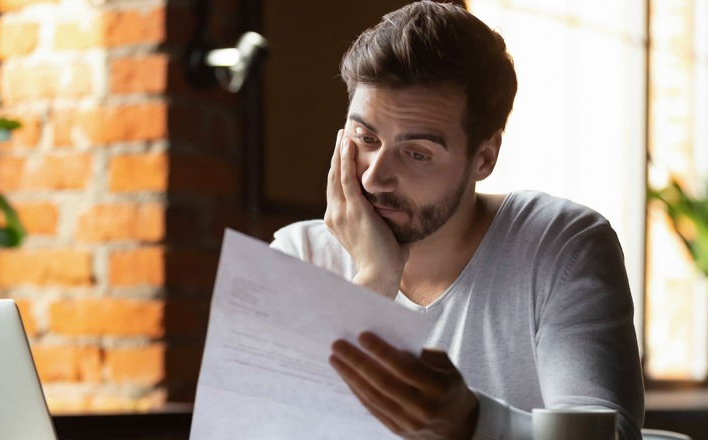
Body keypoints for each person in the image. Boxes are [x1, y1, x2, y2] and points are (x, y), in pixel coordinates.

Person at [269, 1, 644, 439]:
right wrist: (374, 280)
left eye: (416, 153)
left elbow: (611, 432)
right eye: (366, 138)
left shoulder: (561, 246)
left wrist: (473, 424)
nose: (373, 177)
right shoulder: (300, 256)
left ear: (484, 158)